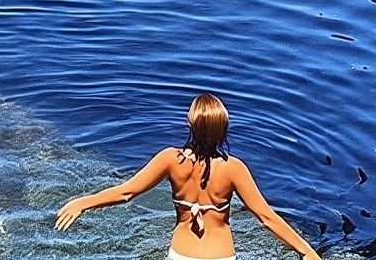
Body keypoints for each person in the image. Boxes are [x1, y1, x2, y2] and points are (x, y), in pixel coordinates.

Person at [54, 93, 322, 260]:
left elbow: (127, 192)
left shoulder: (171, 159)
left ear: (190, 125)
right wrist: (306, 251)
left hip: (181, 254)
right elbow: (266, 217)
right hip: (222, 256)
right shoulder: (234, 168)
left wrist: (83, 202)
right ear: (223, 130)